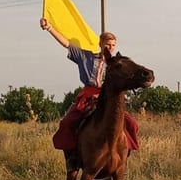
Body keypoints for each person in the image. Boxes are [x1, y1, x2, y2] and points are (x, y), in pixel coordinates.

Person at [39, 17, 140, 170]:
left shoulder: (118, 65)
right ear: (100, 44)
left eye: (113, 45)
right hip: (88, 97)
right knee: (67, 123)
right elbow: (67, 44)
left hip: (110, 100)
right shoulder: (86, 57)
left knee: (132, 124)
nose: (110, 48)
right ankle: (73, 157)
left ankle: (123, 157)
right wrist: (49, 28)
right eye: (108, 44)